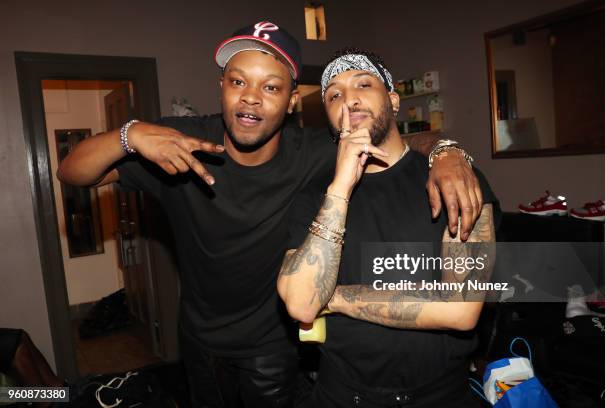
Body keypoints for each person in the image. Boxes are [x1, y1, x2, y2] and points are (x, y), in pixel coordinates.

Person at [57, 22, 483, 408]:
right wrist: (130, 134)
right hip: (200, 337)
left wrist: (450, 153)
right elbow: (72, 172)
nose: (251, 97)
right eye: (238, 81)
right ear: (221, 86)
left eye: (271, 87)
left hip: (273, 342)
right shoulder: (177, 143)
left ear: (293, 100)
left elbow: (385, 136)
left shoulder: (314, 152)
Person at [278, 48, 499, 407]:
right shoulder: (314, 196)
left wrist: (333, 297)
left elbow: (461, 309)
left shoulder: (455, 181)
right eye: (334, 94)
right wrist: (340, 189)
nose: (348, 99)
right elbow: (303, 306)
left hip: (440, 397)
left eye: (363, 84)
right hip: (341, 395)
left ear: (393, 101)